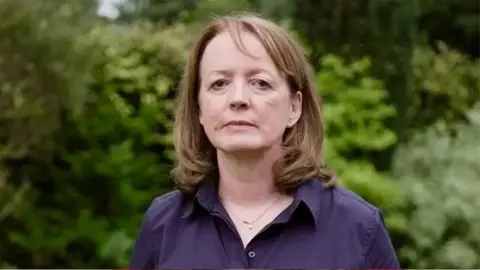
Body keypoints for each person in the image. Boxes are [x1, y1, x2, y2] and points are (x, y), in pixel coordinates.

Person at [129, 13, 401, 269]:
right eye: (219, 84)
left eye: (260, 83)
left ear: (294, 107)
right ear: (199, 108)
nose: (238, 98)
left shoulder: (358, 228)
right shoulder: (163, 224)